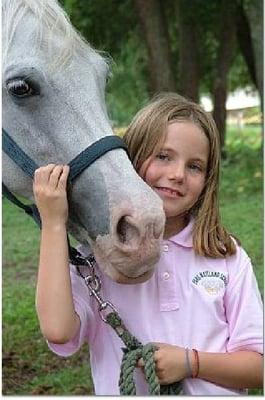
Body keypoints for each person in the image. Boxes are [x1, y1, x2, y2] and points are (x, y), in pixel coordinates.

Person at [33, 93, 263, 395]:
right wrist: (53, 224)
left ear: (208, 179)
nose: (178, 174)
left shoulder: (225, 255)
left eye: (195, 166)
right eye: (163, 157)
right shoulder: (100, 259)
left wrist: (191, 362)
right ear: (130, 160)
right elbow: (59, 331)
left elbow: (257, 368)